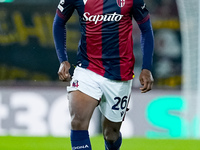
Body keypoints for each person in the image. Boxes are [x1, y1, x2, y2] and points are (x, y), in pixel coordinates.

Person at [53, 0, 154, 149]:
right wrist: (63, 60)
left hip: (120, 73)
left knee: (111, 134)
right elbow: (58, 23)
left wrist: (146, 67)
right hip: (87, 68)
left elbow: (146, 29)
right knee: (78, 122)